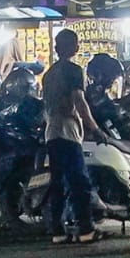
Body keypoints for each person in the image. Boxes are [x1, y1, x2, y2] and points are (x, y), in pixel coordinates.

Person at [43, 28, 107, 245]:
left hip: (51, 132)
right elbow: (79, 102)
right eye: (76, 43)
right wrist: (95, 128)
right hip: (68, 132)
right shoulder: (73, 71)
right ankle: (86, 229)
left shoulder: (49, 74)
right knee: (79, 182)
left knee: (58, 183)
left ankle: (58, 231)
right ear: (72, 47)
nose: (78, 46)